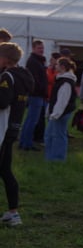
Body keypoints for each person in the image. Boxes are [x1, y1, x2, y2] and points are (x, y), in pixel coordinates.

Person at [0, 42, 34, 226]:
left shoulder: (7, 76)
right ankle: (13, 213)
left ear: (5, 59)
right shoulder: (25, 76)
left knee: (5, 170)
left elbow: (3, 102)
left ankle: (14, 214)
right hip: (14, 127)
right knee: (5, 170)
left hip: (3, 128)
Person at [44, 57, 77, 161]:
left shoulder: (66, 82)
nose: (55, 66)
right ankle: (50, 157)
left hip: (61, 113)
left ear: (62, 67)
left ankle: (58, 158)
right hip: (57, 112)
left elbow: (62, 100)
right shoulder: (61, 79)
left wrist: (55, 114)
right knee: (49, 135)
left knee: (58, 135)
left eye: (57, 64)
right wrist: (49, 110)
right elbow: (54, 98)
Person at [19, 40, 48, 151]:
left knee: (30, 120)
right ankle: (26, 144)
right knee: (32, 121)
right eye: (39, 48)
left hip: (37, 95)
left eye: (42, 48)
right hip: (36, 95)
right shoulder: (33, 61)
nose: (42, 50)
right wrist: (41, 90)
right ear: (33, 48)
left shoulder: (38, 61)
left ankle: (24, 142)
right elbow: (34, 80)